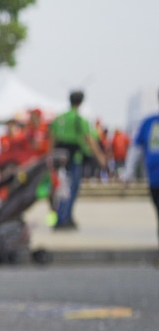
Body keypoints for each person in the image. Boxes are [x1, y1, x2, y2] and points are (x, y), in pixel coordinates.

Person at [48, 90, 105, 231]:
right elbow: (89, 139)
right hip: (74, 158)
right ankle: (64, 218)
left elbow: (52, 139)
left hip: (59, 159)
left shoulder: (59, 118)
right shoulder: (80, 119)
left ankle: (64, 216)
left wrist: (50, 156)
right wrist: (100, 157)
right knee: (71, 188)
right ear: (81, 102)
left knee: (61, 187)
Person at [134, 109, 159, 234]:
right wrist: (129, 172)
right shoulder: (149, 122)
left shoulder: (149, 122)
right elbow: (137, 149)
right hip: (155, 178)